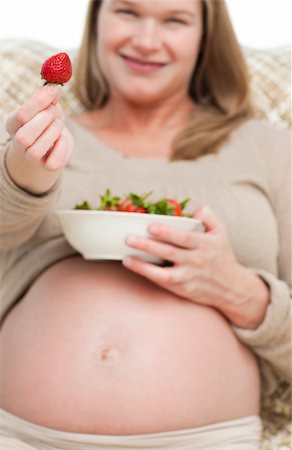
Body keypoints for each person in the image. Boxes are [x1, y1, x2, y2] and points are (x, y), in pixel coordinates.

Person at [0, 0, 290, 449]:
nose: (146, 41)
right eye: (127, 12)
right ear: (96, 19)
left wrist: (241, 293)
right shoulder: (35, 138)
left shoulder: (269, 148)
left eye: (175, 20)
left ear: (205, 37)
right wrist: (24, 176)